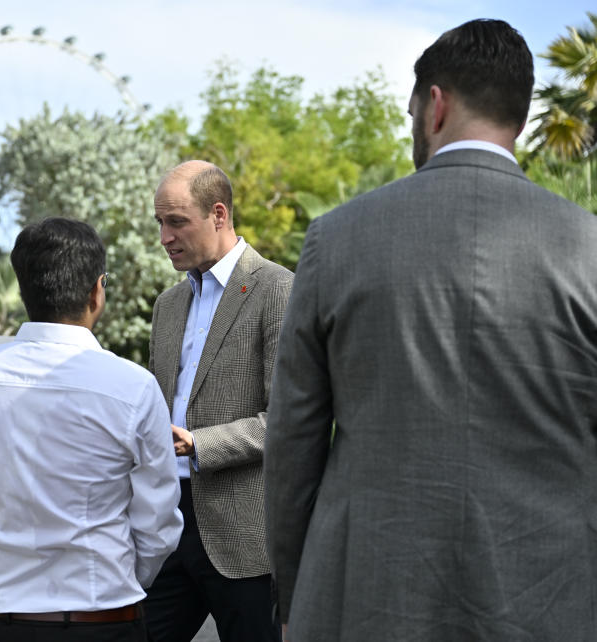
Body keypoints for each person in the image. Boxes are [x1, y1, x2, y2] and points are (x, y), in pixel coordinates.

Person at [266, 19, 597, 641]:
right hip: (549, 600)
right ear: (521, 119)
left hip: (367, 597)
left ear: (434, 105)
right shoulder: (589, 248)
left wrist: (293, 593)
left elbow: (293, 442)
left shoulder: (336, 239)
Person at [0, 217, 183, 642]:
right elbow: (158, 521)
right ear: (97, 290)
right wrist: (119, 578)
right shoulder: (131, 385)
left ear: (24, 291)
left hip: (6, 621)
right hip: (104, 618)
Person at [146, 160, 294, 642]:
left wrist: (198, 443)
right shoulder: (167, 305)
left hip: (244, 533)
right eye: (160, 223)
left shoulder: (277, 289)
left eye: (176, 221)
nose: (165, 236)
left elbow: (286, 422)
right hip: (168, 523)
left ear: (218, 214)